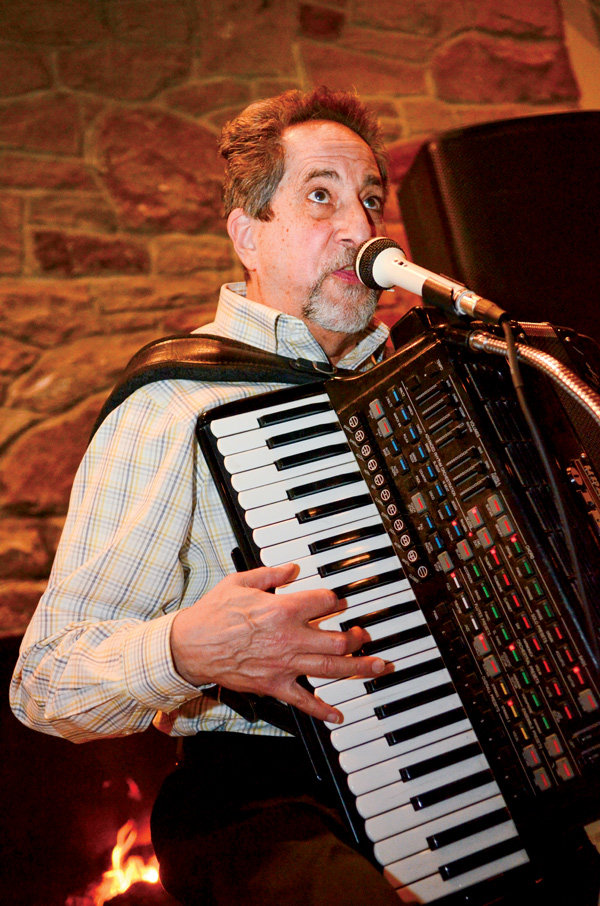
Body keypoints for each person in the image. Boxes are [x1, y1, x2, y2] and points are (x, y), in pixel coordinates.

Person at [10, 87, 401, 905]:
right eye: (320, 195)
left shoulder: (418, 389)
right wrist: (186, 649)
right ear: (248, 235)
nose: (360, 227)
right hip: (268, 793)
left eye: (370, 199)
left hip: (443, 760)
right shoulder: (179, 404)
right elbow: (46, 681)